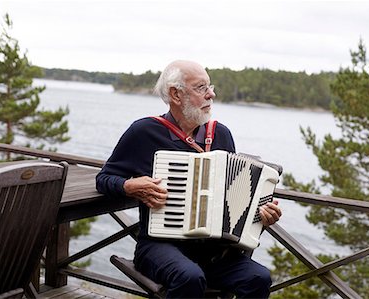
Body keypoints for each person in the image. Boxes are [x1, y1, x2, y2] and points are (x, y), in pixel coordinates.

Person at [96, 60, 282, 298]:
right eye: (201, 87)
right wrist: (128, 186)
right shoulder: (144, 132)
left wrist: (261, 214)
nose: (211, 94)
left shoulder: (221, 134)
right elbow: (104, 178)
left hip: (212, 253)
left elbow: (235, 195)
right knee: (189, 276)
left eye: (210, 86)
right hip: (158, 246)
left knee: (259, 278)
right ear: (176, 94)